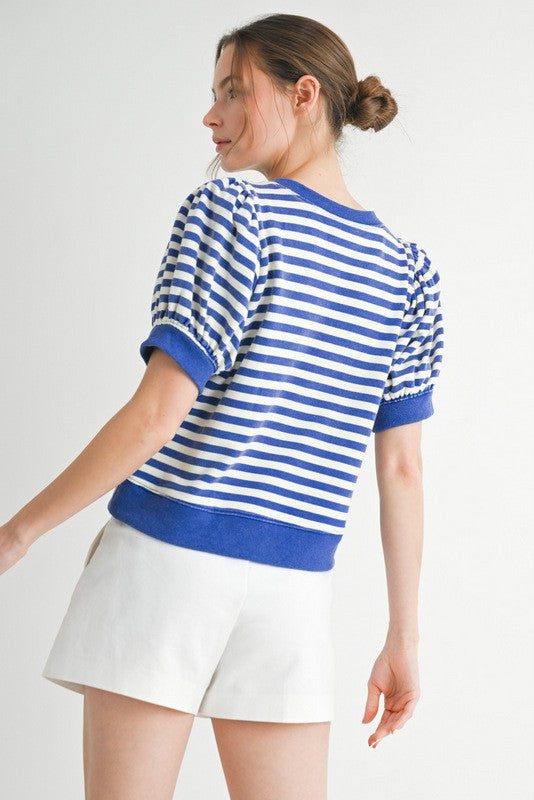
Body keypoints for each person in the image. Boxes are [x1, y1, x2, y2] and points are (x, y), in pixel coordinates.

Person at [0, 12, 445, 800]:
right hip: (294, 590)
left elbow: (156, 413)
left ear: (304, 95)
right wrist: (403, 638)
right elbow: (403, 469)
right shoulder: (408, 271)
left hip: (165, 565)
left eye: (233, 91)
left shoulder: (231, 213)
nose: (212, 115)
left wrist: (19, 531)